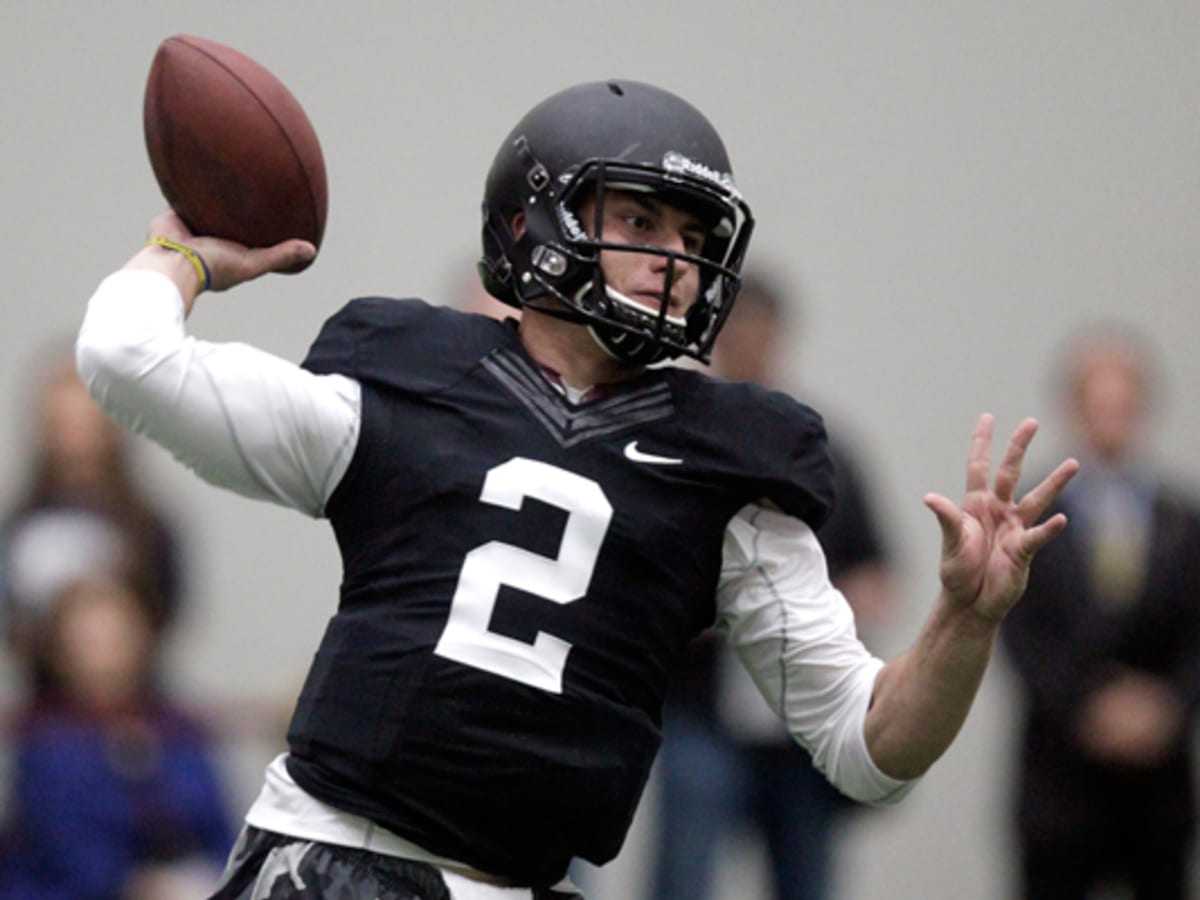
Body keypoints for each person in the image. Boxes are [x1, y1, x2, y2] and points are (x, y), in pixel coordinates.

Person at [75, 79, 1077, 900]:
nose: (673, 262)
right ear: (534, 223)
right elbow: (125, 354)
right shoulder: (399, 390)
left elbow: (871, 747)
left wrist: (964, 620)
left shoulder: (728, 474)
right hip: (330, 864)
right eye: (639, 219)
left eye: (693, 237)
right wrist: (187, 253)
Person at [650, 269, 896, 900]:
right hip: (699, 714)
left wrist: (808, 611)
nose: (751, 344)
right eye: (737, 331)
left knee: (805, 878)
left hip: (797, 726)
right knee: (684, 877)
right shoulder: (672, 439)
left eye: (762, 331)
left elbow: (875, 573)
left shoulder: (823, 448)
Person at [1001, 325, 1200, 900]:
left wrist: (1166, 708)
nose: (1112, 420)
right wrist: (1087, 709)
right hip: (1058, 781)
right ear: (1073, 408)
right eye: (1098, 405)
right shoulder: (1027, 519)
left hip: (1160, 789)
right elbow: (1018, 632)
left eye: (1125, 405)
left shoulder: (1182, 520)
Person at [0, 573, 236, 898]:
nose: (108, 658)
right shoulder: (44, 742)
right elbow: (70, 855)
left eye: (118, 638)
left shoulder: (178, 730)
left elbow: (220, 831)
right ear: (60, 653)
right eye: (90, 643)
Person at [1, 345, 186, 691]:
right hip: (45, 711)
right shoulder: (18, 523)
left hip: (139, 710)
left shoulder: (147, 524)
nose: (76, 436)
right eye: (64, 421)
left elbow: (171, 604)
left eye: (86, 419)